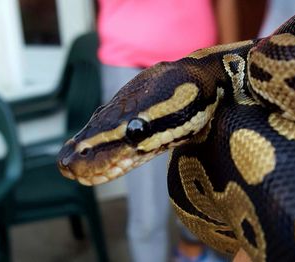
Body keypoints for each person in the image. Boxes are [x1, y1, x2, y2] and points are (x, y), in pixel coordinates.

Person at [95, 0, 234, 261]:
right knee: (147, 213)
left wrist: (230, 60)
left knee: (201, 188)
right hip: (130, 63)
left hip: (200, 65)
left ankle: (191, 251)